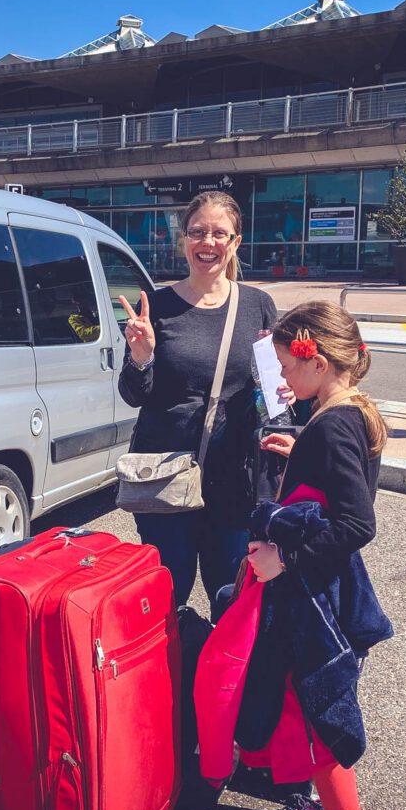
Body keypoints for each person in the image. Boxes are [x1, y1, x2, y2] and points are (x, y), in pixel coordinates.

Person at [194, 300, 392, 810]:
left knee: (322, 721)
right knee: (301, 706)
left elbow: (358, 522)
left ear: (319, 358)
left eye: (286, 364)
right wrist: (299, 447)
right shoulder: (345, 413)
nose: (280, 378)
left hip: (313, 599)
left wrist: (285, 562)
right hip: (320, 594)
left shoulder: (332, 426)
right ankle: (317, 808)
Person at [117, 190, 290, 607]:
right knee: (164, 598)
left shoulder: (257, 306)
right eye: (197, 232)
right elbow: (133, 395)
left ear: (235, 243)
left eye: (219, 233)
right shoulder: (155, 306)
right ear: (184, 239)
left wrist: (284, 399)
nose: (207, 243)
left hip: (234, 480)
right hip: (164, 476)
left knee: (231, 595)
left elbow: (272, 390)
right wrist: (141, 358)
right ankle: (168, 672)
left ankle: (221, 673)